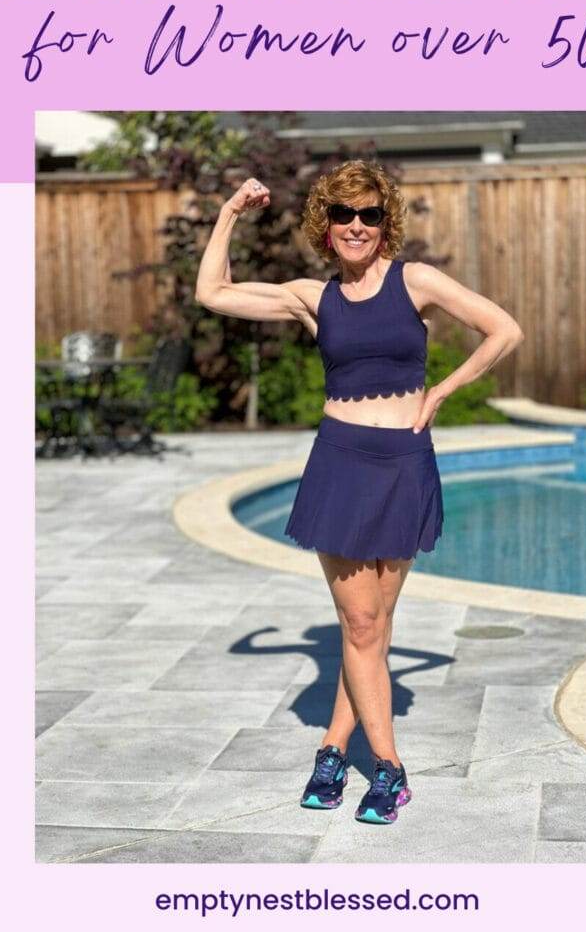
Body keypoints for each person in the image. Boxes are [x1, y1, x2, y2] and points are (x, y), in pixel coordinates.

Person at [195, 159, 524, 824]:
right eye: (343, 214)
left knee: (371, 629)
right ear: (326, 223)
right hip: (341, 464)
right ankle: (389, 771)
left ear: (384, 222)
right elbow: (214, 293)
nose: (356, 226)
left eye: (369, 214)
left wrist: (441, 391)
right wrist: (230, 212)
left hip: (404, 462)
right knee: (361, 622)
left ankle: (329, 749)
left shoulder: (416, 281)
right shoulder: (311, 299)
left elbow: (504, 330)